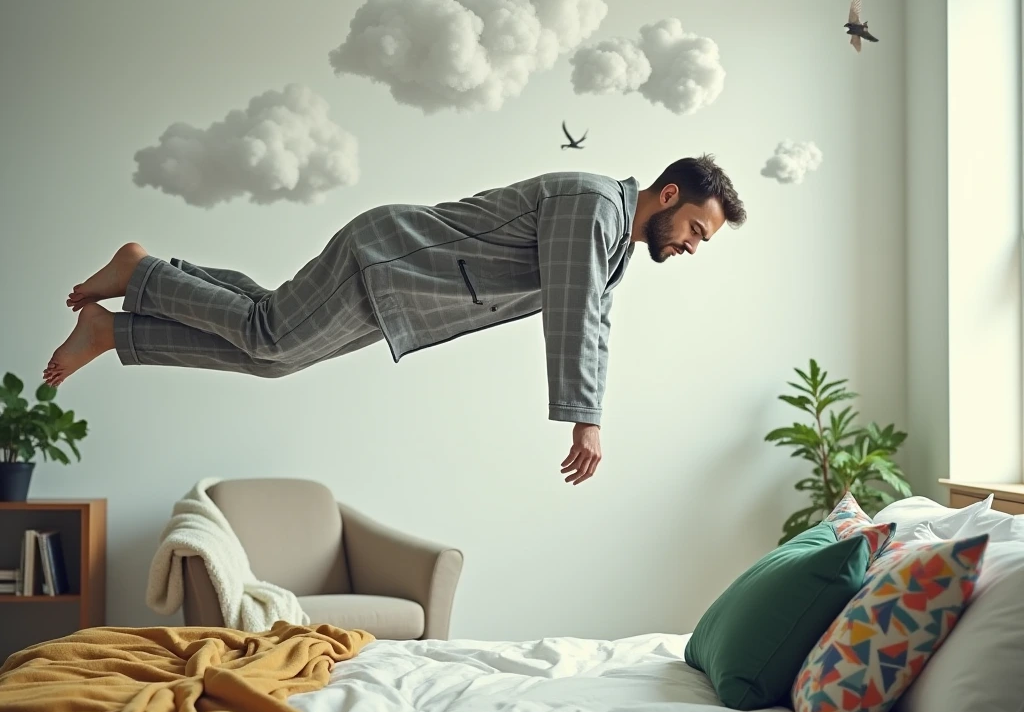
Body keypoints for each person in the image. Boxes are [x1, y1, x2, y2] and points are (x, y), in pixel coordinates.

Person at [45, 154, 746, 484]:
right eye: (694, 229)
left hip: (403, 294)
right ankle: (139, 273)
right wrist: (585, 417)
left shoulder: (617, 239)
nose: (689, 246)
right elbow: (575, 308)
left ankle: (115, 328)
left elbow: (593, 310)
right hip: (390, 260)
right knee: (270, 334)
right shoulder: (596, 206)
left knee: (273, 347)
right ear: (671, 192)